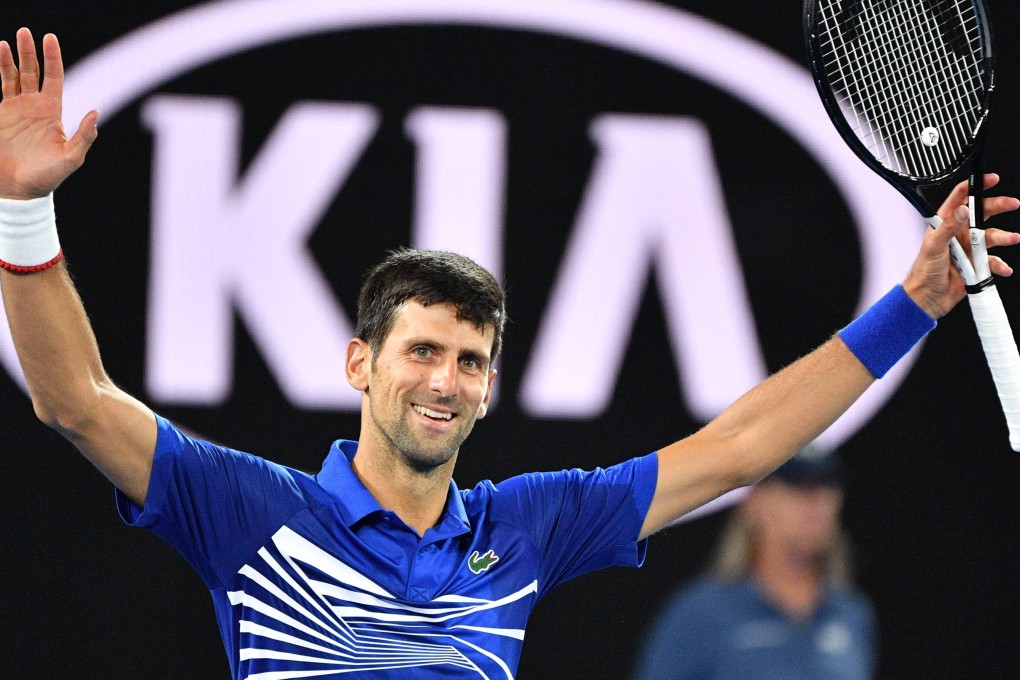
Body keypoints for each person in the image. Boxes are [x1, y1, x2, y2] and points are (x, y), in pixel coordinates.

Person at [0, 28, 1016, 680]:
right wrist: (23, 209)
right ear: (360, 364)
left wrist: (914, 305)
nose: (445, 380)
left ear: (490, 387)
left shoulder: (526, 527)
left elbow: (741, 448)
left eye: (471, 360)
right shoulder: (251, 511)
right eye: (423, 350)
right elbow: (74, 399)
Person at [633, 446, 876, 680]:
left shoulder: (852, 614)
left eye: (826, 488)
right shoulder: (700, 614)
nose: (816, 505)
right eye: (796, 488)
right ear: (754, 502)